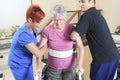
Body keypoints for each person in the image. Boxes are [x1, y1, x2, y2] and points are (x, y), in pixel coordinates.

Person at [70, 0, 119, 80]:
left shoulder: (87, 16)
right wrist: (80, 43)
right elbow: (94, 37)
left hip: (104, 59)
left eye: (83, 2)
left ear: (91, 2)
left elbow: (73, 36)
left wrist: (78, 43)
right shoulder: (97, 14)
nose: (80, 4)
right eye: (79, 1)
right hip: (113, 56)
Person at [36, 4, 84, 80]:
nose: (58, 23)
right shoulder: (47, 30)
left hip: (70, 68)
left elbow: (81, 47)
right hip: (53, 69)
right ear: (53, 19)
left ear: (64, 18)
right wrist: (38, 66)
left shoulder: (72, 29)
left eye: (61, 19)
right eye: (56, 20)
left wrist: (80, 65)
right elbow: (40, 49)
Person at [8, 4, 47, 80]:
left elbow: (36, 47)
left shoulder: (33, 29)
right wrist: (46, 43)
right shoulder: (23, 35)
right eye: (39, 22)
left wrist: (38, 66)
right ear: (30, 20)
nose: (41, 24)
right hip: (18, 64)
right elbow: (38, 54)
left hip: (27, 61)